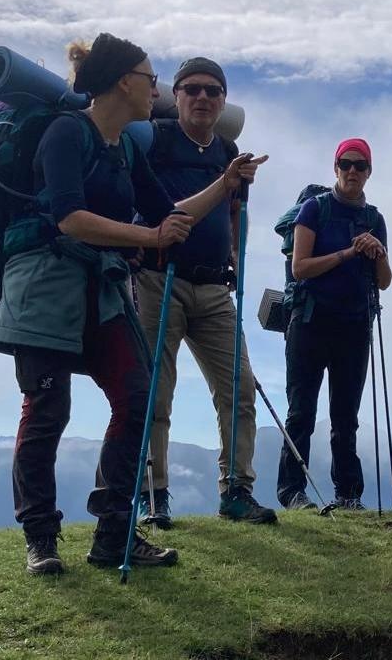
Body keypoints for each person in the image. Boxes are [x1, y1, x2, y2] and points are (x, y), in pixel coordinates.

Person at [0, 34, 260, 575]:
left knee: (136, 395)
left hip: (99, 287)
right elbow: (69, 218)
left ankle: (115, 534)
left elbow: (168, 213)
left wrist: (225, 185)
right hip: (44, 286)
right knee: (48, 411)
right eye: (150, 78)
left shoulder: (125, 147)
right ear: (121, 83)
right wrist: (148, 239)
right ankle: (41, 536)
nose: (154, 89)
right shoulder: (67, 133)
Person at [135, 57, 277, 526]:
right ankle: (154, 496)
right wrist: (226, 183)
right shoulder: (153, 140)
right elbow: (166, 212)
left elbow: (233, 210)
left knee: (238, 390)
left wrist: (234, 251)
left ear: (222, 101)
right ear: (173, 96)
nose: (202, 97)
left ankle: (237, 490)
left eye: (213, 91)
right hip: (159, 276)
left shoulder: (226, 148)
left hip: (214, 283)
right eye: (192, 89)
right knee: (156, 391)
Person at [276, 138, 391, 511]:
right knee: (302, 410)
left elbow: (385, 280)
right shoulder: (313, 209)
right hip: (310, 320)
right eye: (346, 164)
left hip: (354, 325)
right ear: (335, 168)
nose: (353, 171)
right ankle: (292, 491)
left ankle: (348, 495)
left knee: (346, 415)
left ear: (369, 171)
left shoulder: (374, 220)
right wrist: (348, 253)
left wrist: (377, 252)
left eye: (360, 165)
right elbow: (300, 268)